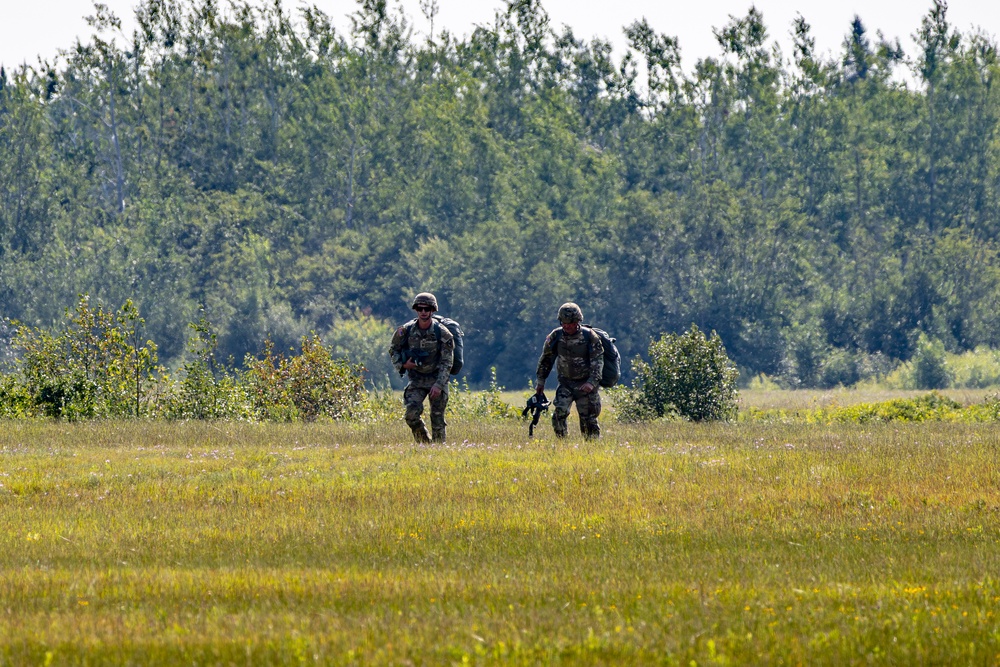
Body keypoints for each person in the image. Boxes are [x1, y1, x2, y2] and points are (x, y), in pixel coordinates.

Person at [389, 292, 455, 443]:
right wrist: (403, 365)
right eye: (420, 308)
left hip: (437, 379)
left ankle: (438, 452)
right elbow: (393, 349)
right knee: (411, 415)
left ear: (433, 310)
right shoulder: (405, 331)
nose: (423, 312)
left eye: (427, 309)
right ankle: (425, 445)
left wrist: (439, 385)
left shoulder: (443, 334)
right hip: (417, 380)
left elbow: (447, 362)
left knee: (437, 419)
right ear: (416, 310)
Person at [535, 302, 604, 438]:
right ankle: (563, 446)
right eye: (564, 323)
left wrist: (591, 382)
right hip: (566, 384)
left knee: (588, 420)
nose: (567, 326)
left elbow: (598, 361)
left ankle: (592, 450)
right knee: (558, 415)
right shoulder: (556, 336)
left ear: (578, 321)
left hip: (586, 386)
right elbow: (546, 359)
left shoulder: (590, 337)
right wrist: (541, 381)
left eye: (570, 323)